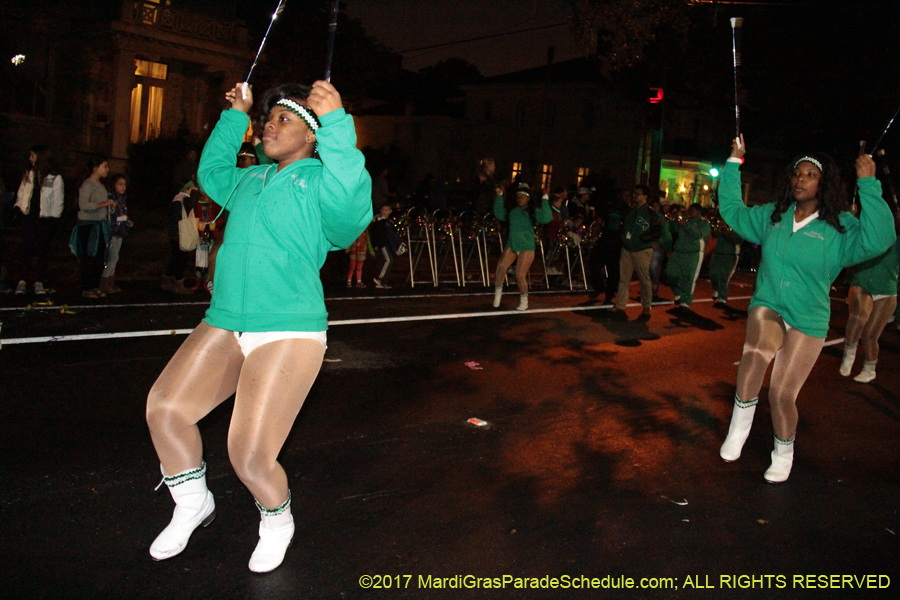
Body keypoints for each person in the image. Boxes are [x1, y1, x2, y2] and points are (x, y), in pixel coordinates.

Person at [145, 80, 371, 573]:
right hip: (225, 321)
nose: (270, 125)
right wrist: (236, 115)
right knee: (165, 410)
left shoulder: (321, 182)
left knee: (249, 455)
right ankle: (192, 504)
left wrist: (336, 124)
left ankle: (277, 520)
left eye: (284, 119)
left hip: (288, 328)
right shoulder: (251, 180)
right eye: (267, 120)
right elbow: (211, 172)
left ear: (310, 135)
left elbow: (351, 212)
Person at [718, 135, 895, 483]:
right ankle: (738, 427)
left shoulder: (841, 228)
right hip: (770, 305)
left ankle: (783, 452)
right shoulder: (773, 215)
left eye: (809, 175)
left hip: (809, 318)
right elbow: (732, 211)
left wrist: (869, 183)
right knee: (754, 354)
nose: (800, 180)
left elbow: (880, 238)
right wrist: (733, 163)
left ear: (823, 183)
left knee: (781, 395)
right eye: (796, 174)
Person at [839, 212, 899, 382]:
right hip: (861, 283)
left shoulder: (896, 241)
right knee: (857, 317)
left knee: (870, 335)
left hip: (886, 291)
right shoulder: (864, 235)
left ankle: (869, 368)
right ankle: (848, 356)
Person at [491, 182, 553, 311]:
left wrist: (545, 198)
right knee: (500, 268)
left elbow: (547, 218)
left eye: (523, 196)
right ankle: (497, 297)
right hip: (512, 244)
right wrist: (499, 196)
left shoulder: (533, 211)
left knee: (519, 275)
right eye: (518, 196)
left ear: (528, 198)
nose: (520, 199)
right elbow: (499, 213)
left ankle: (524, 301)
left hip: (526, 246)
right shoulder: (512, 211)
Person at [14, 145, 64, 296]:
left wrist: (53, 220)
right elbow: (21, 193)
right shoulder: (28, 174)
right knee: (26, 250)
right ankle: (22, 281)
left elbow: (58, 202)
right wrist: (18, 208)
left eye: (33, 156)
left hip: (45, 219)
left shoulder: (55, 178)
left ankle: (39, 281)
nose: (30, 159)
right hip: (29, 218)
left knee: (42, 251)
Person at [611, 185, 662, 316]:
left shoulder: (651, 214)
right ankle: (620, 305)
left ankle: (646, 306)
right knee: (624, 278)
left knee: (644, 278)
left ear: (646, 196)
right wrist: (623, 237)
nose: (635, 196)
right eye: (635, 194)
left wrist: (645, 238)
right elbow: (623, 225)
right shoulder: (630, 211)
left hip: (642, 249)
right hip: (627, 248)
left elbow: (658, 231)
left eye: (638, 194)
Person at [72, 156, 115, 298]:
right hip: (88, 225)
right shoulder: (87, 185)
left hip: (100, 224)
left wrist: (110, 205)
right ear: (96, 168)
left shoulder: (101, 186)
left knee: (99, 256)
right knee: (88, 256)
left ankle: (94, 285)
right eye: (105, 166)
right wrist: (104, 204)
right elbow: (83, 205)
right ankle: (86, 287)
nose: (107, 169)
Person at [666, 203, 710, 308]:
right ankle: (678, 293)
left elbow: (698, 235)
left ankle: (685, 303)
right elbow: (672, 230)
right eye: (689, 211)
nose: (689, 213)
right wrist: (674, 220)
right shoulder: (685, 221)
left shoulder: (704, 223)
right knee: (671, 274)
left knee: (689, 279)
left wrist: (685, 224)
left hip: (693, 254)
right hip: (678, 252)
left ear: (698, 212)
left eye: (692, 211)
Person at [161, 181, 197, 295]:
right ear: (186, 189)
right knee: (182, 259)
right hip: (180, 235)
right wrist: (196, 192)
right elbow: (192, 203)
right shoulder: (183, 200)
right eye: (191, 188)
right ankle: (178, 284)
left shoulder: (176, 200)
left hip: (174, 235)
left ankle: (166, 280)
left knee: (176, 258)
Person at [100, 174, 132, 294]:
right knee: (112, 256)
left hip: (120, 231)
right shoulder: (111, 198)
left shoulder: (121, 199)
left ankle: (110, 281)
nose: (123, 187)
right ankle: (105, 281)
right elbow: (111, 216)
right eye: (120, 184)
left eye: (124, 184)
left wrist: (126, 221)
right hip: (113, 231)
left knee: (115, 256)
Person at [709, 215, 744, 306]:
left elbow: (738, 240)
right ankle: (716, 289)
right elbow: (714, 234)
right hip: (718, 253)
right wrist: (717, 228)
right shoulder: (722, 224)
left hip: (730, 255)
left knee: (724, 276)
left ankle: (722, 297)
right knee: (713, 274)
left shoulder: (738, 226)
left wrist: (727, 233)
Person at [369, 203, 404, 288]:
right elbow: (374, 233)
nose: (385, 212)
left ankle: (383, 280)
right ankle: (380, 278)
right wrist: (375, 244)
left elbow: (393, 234)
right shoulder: (378, 221)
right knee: (388, 260)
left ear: (390, 211)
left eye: (387, 210)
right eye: (383, 210)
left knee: (387, 261)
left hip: (387, 244)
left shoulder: (389, 222)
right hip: (382, 244)